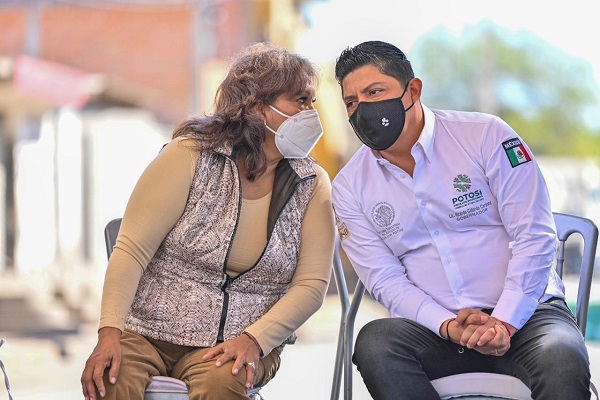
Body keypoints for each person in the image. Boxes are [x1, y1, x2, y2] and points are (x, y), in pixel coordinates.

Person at [331, 40, 591, 400]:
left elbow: (533, 235)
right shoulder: (349, 187)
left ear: (413, 90)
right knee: (376, 343)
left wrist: (504, 320)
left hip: (529, 316)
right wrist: (448, 325)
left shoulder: (487, 136)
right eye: (351, 102)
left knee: (562, 356)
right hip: (438, 331)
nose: (363, 109)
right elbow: (384, 279)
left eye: (375, 92)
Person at [80, 42, 335, 400]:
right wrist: (108, 333)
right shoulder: (191, 155)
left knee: (223, 384)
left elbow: (311, 285)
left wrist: (254, 340)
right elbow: (131, 249)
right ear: (260, 108)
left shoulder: (312, 184)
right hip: (148, 332)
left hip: (235, 345)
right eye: (301, 100)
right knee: (111, 378)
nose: (313, 112)